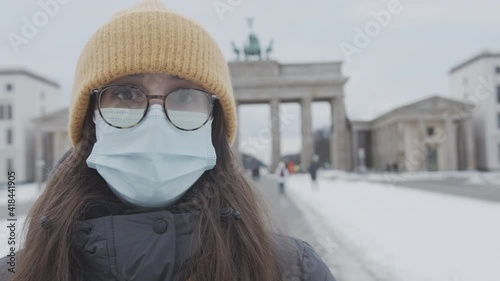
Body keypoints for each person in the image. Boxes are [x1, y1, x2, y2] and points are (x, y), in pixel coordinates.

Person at [0, 1, 336, 281]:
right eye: (126, 93)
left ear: (215, 123)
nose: (155, 119)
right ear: (90, 121)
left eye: (185, 96)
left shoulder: (296, 271)